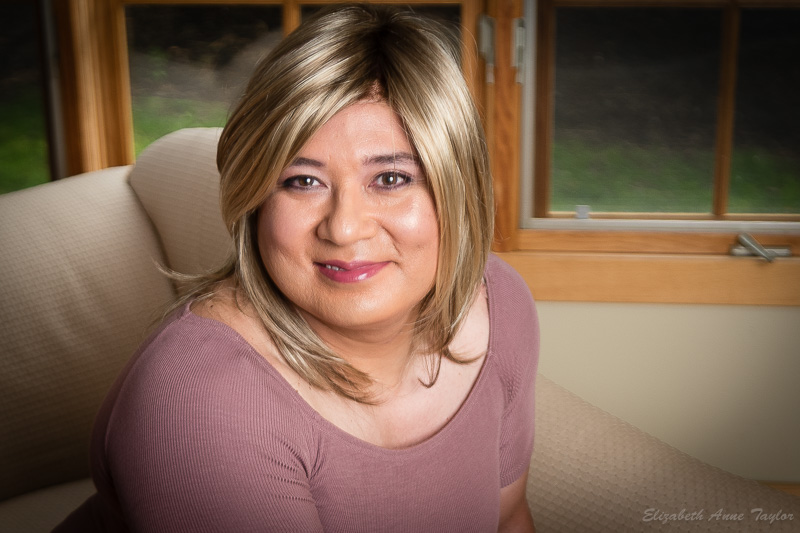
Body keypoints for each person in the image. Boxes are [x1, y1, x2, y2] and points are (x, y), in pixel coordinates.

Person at [55, 4, 539, 532]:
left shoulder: (499, 302)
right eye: (302, 181)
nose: (344, 228)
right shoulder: (201, 403)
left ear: (457, 187)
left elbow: (509, 518)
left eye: (392, 178)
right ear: (256, 198)